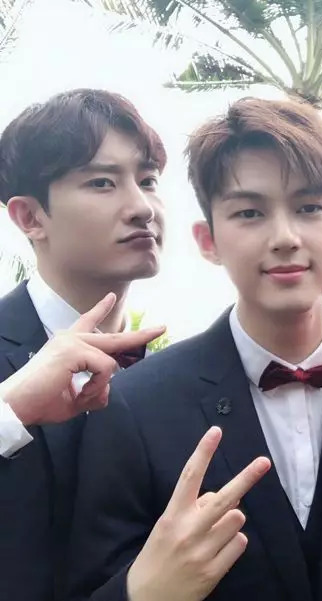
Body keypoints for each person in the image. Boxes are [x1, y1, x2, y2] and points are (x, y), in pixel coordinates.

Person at [67, 98, 322, 601]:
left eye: (308, 207)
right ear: (207, 240)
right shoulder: (134, 406)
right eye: (250, 212)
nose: (285, 237)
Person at [0, 89, 169, 601]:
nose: (142, 208)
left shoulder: (171, 380)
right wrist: (10, 408)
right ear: (30, 218)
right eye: (102, 183)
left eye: (148, 181)